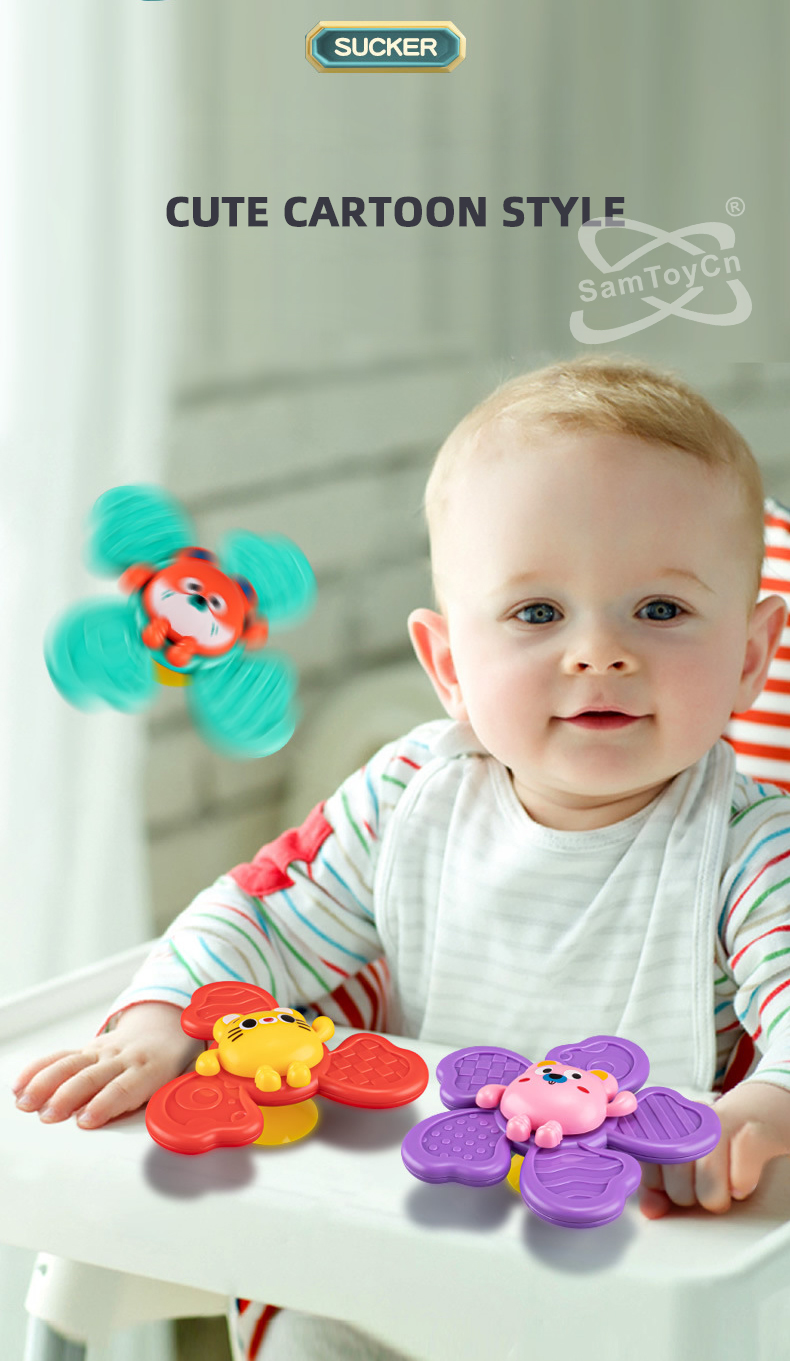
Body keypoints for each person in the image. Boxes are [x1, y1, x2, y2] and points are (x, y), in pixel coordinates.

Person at [13, 355, 790, 1361]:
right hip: (407, 1231)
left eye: (659, 610)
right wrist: (165, 1014)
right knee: (307, 1334)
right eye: (537, 612)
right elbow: (264, 912)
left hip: (625, 1274)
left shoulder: (747, 844)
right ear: (449, 666)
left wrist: (765, 1105)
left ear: (748, 654)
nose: (598, 651)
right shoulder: (407, 795)